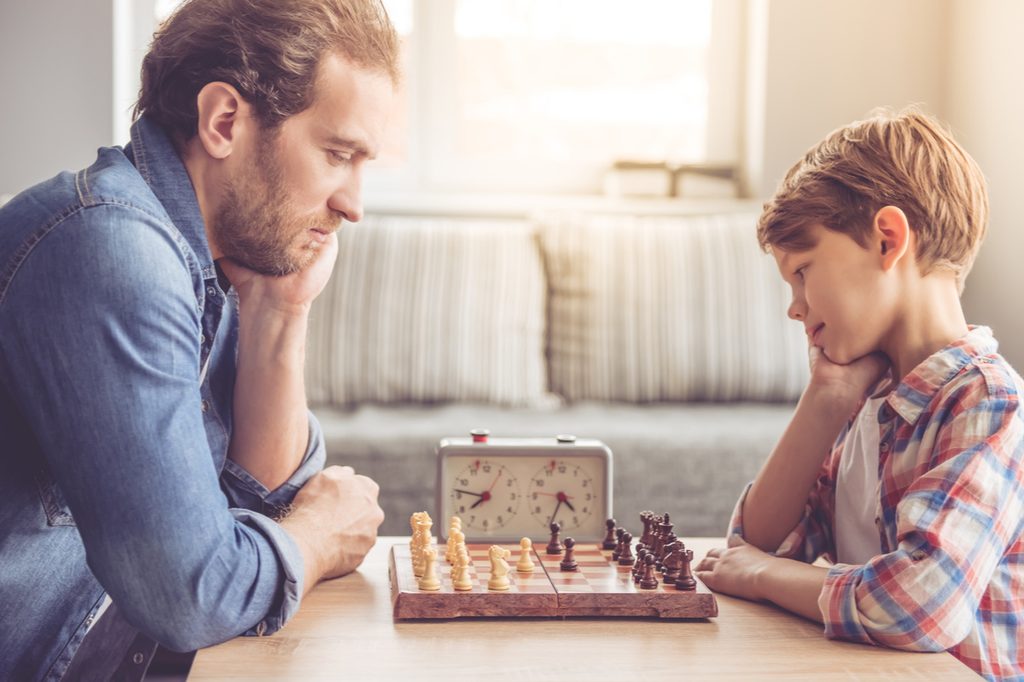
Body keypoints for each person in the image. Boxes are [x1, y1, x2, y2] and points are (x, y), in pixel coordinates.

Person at [0, 1, 399, 679]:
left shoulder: (216, 258)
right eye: (337, 155)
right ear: (224, 122)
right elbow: (193, 594)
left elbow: (260, 509)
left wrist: (282, 309)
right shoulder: (112, 250)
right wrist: (321, 537)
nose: (354, 204)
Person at [694, 109, 1023, 680]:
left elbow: (923, 607)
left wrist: (760, 576)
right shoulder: (869, 399)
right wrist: (824, 399)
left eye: (802, 272)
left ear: (887, 239)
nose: (794, 306)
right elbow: (755, 545)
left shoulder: (987, 402)